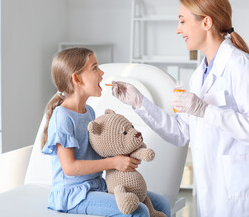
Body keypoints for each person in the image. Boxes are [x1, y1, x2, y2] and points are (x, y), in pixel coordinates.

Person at [112, 0, 249, 217]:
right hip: (213, 193)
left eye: (182, 21)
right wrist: (140, 103)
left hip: (244, 196)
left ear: (206, 22)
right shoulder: (200, 74)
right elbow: (181, 132)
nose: (178, 30)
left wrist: (205, 110)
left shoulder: (240, 66)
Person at [41, 48, 171, 217]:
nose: (101, 73)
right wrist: (114, 163)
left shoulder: (89, 112)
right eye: (94, 68)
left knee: (162, 203)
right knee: (138, 211)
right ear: (77, 78)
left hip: (98, 185)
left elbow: (102, 150)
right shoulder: (62, 116)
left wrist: (129, 152)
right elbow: (70, 167)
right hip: (73, 195)